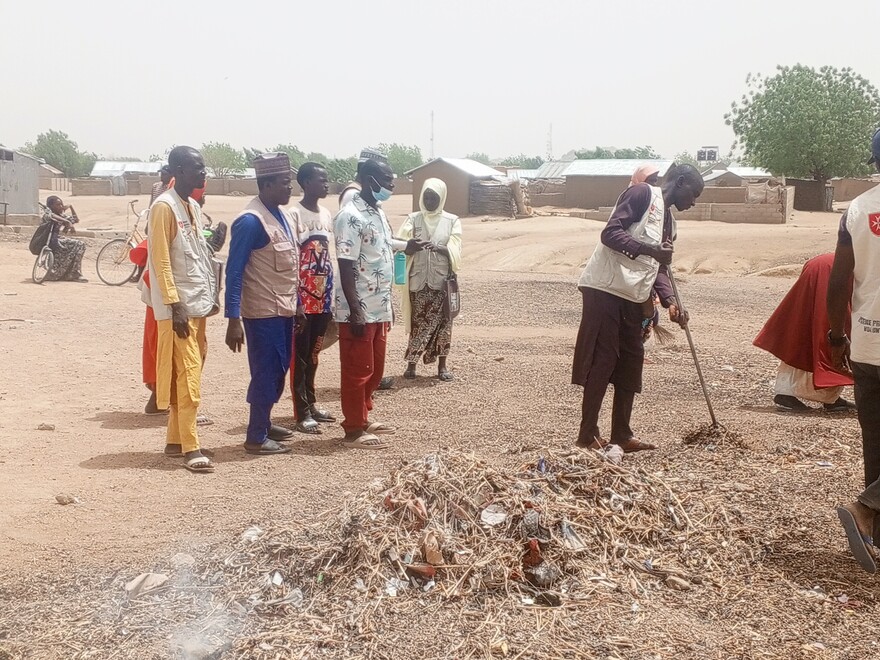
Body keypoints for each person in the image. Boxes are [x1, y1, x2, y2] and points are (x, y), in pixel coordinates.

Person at [572, 163, 704, 452]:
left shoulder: (670, 223)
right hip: (605, 288)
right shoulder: (642, 194)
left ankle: (621, 433)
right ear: (680, 182)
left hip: (633, 295)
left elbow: (658, 267)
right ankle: (587, 434)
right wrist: (649, 249)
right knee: (603, 359)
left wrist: (671, 302)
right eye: (693, 194)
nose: (693, 203)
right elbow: (610, 233)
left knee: (631, 361)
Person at [334, 158, 425, 449]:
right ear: (369, 179)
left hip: (380, 304)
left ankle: (364, 414)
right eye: (386, 180)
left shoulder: (377, 212)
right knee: (357, 369)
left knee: (375, 368)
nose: (391, 186)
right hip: (358, 308)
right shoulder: (349, 216)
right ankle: (353, 428)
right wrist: (356, 309)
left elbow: (382, 243)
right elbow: (346, 264)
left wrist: (406, 246)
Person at [225, 153, 305, 456]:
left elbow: (289, 265)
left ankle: (266, 422)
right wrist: (233, 320)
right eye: (285, 184)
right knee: (265, 371)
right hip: (262, 314)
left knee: (279, 368)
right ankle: (255, 436)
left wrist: (297, 305)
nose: (290, 189)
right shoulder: (250, 222)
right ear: (267, 183)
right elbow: (234, 273)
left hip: (282, 310)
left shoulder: (279, 214)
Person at [828, 128, 880, 573]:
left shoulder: (858, 208)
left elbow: (839, 277)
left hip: (866, 341)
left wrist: (834, 334)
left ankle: (871, 534)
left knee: (876, 442)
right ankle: (865, 512)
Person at [147, 146, 218, 473]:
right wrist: (174, 306)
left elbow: (199, 255)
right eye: (197, 169)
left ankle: (175, 440)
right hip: (178, 309)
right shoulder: (163, 208)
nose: (203, 174)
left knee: (188, 370)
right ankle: (191, 447)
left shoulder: (191, 206)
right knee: (188, 374)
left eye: (204, 169)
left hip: (197, 304)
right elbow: (161, 260)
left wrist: (211, 297)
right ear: (178, 170)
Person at [754, 253, 855, 412]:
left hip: (821, 267)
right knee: (830, 332)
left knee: (803, 329)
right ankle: (826, 397)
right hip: (830, 272)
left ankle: (789, 392)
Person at [397, 178, 462, 381]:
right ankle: (411, 365)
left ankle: (442, 367)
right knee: (418, 324)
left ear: (441, 197)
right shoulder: (412, 219)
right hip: (418, 281)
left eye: (434, 197)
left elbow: (456, 247)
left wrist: (441, 249)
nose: (430, 201)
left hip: (441, 283)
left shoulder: (452, 220)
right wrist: (410, 244)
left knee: (444, 324)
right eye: (426, 196)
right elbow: (400, 242)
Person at [290, 162, 336, 434]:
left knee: (315, 353)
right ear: (306, 183)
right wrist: (296, 300)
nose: (326, 184)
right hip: (304, 299)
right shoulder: (294, 214)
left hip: (323, 296)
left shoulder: (327, 214)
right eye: (322, 179)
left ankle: (312, 403)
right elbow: (293, 258)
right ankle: (301, 411)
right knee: (301, 355)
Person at [42, 196, 87, 282]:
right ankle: (73, 274)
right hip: (48, 240)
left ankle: (72, 273)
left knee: (79, 245)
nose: (61, 206)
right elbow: (52, 216)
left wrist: (70, 206)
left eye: (62, 204)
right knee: (79, 244)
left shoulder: (61, 215)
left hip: (57, 240)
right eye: (58, 205)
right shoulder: (47, 214)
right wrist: (67, 222)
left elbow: (76, 219)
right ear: (51, 206)